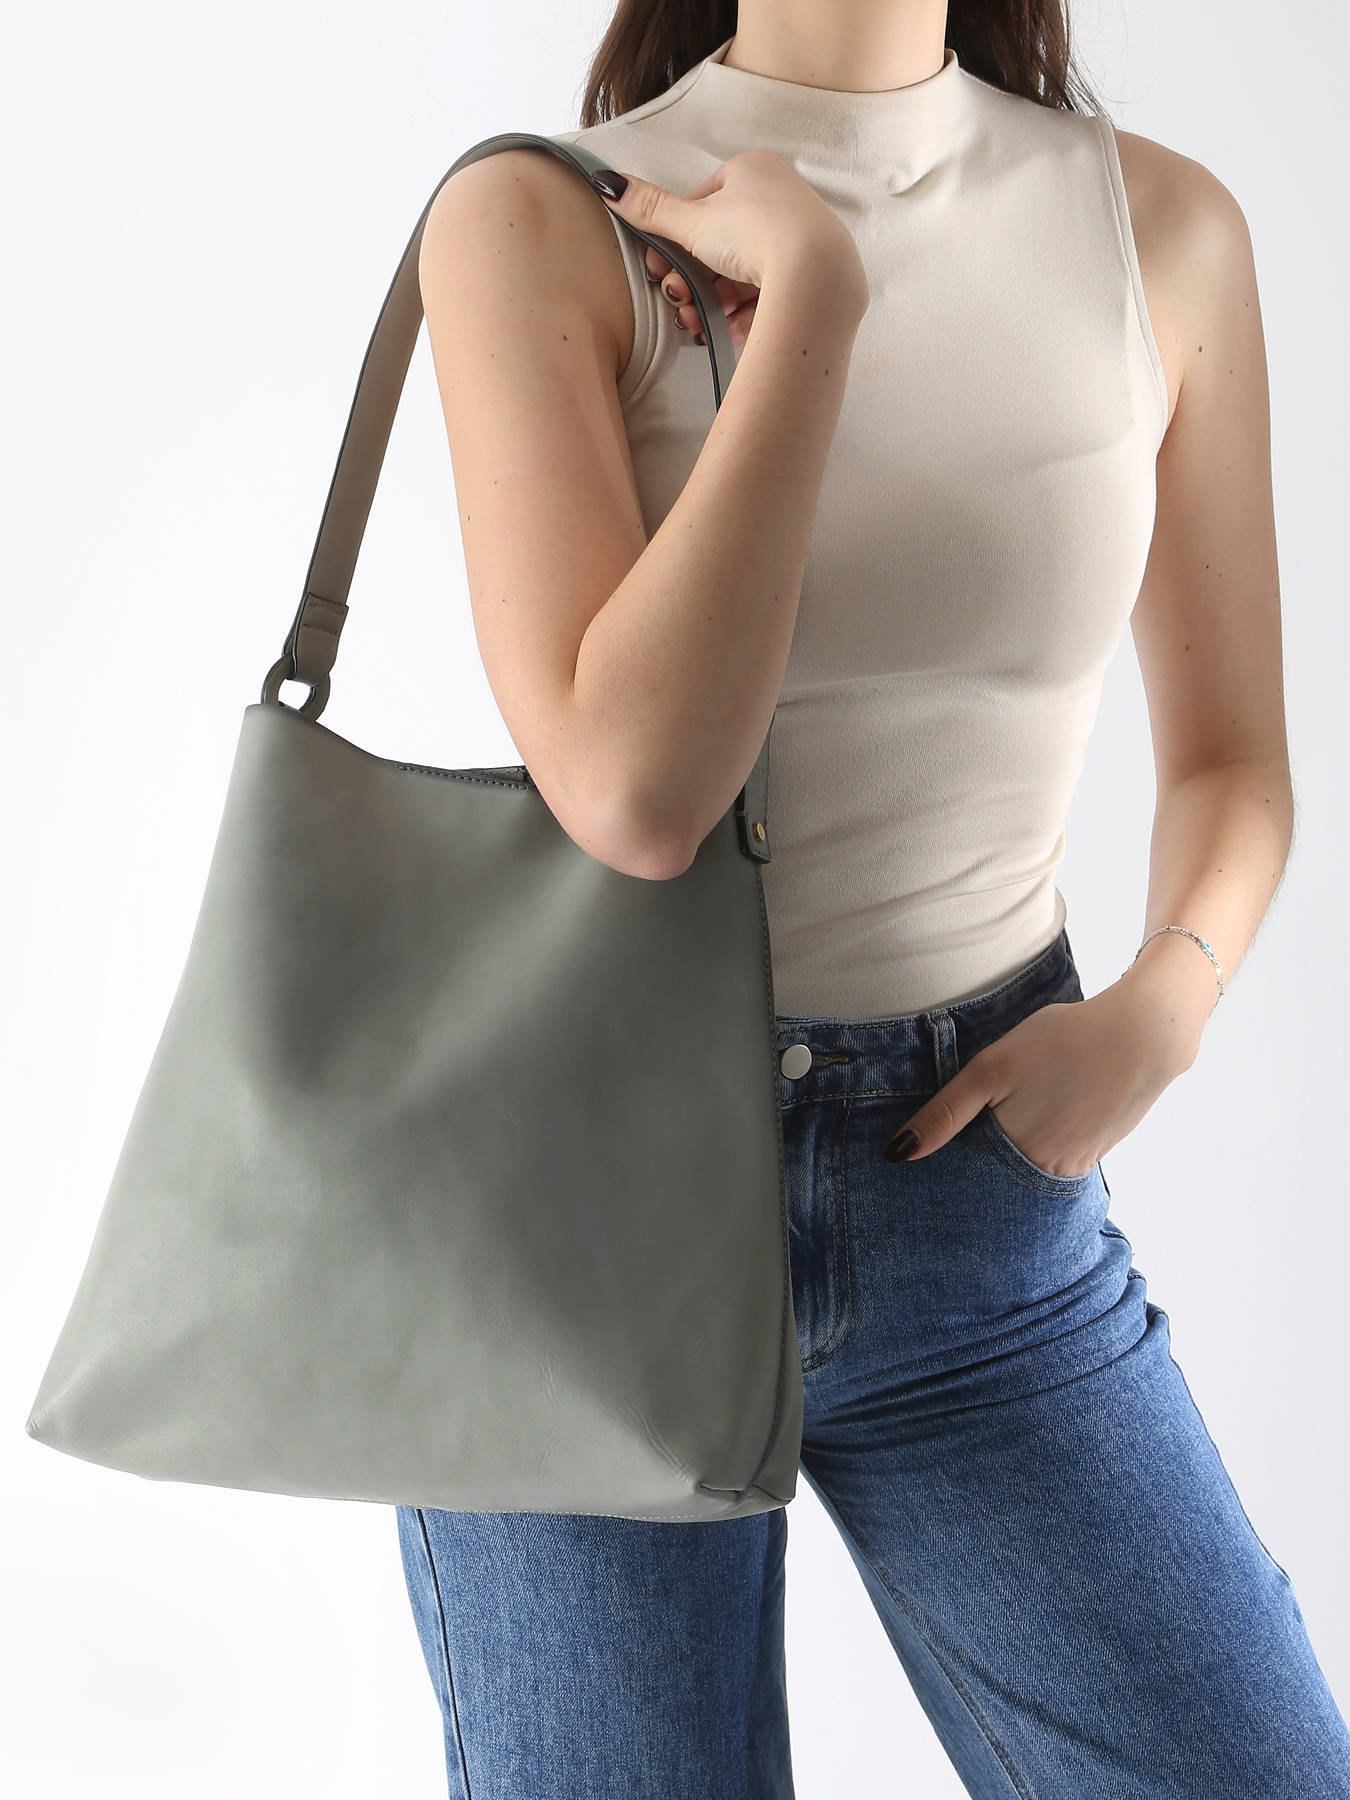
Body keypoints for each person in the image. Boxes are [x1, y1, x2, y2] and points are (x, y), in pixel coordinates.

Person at [395, 3, 1350, 1794]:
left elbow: (1233, 759)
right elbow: (634, 790)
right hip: (584, 1232)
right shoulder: (546, 217)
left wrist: (1166, 1002)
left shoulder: (1161, 231)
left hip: (978, 1207)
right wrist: (815, 308)